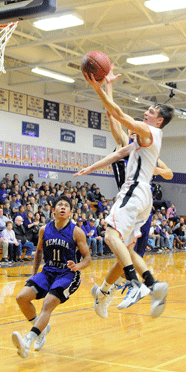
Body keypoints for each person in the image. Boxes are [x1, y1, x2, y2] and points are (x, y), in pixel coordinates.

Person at [75, 66, 174, 318]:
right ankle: (151, 284)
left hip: (133, 193)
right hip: (140, 198)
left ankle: (134, 284)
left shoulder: (149, 133)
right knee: (126, 250)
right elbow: (116, 148)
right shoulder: (133, 144)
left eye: (150, 112)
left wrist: (98, 88)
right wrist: (89, 168)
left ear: (157, 119)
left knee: (109, 237)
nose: (145, 113)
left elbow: (117, 113)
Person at [12, 195, 91, 358]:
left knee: (48, 303)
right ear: (53, 210)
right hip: (48, 272)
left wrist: (78, 266)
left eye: (66, 206)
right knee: (21, 297)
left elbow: (88, 258)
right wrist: (34, 273)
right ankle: (41, 330)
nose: (63, 207)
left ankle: (27, 342)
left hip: (67, 274)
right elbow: (39, 251)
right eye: (59, 205)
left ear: (70, 212)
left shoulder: (76, 231)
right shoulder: (44, 229)